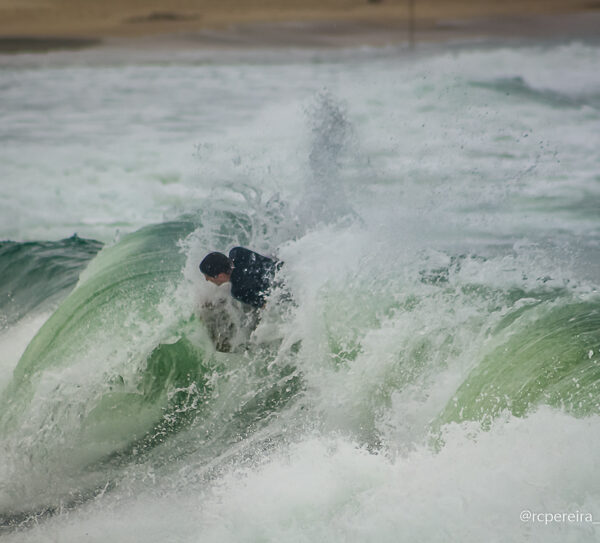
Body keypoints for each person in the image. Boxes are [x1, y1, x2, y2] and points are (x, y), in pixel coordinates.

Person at [199, 247, 281, 309]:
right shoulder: (237, 252)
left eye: (208, 276)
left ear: (221, 276)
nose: (207, 279)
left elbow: (266, 306)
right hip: (282, 270)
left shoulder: (238, 291)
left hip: (280, 289)